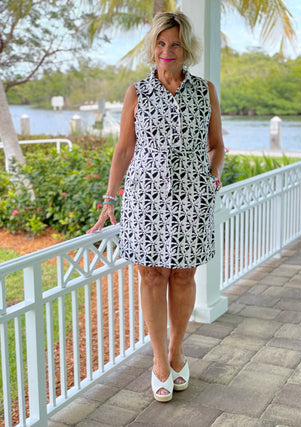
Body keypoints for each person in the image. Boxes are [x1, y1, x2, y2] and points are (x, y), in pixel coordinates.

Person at [87, 11, 225, 402]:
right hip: (145, 198)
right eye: (161, 43)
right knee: (150, 276)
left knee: (182, 275)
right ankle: (159, 362)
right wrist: (110, 198)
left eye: (175, 44)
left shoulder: (205, 91)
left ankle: (178, 349)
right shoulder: (137, 92)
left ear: (186, 49)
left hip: (192, 197)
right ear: (153, 48)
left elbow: (216, 144)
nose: (168, 51)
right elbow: (124, 149)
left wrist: (212, 177)